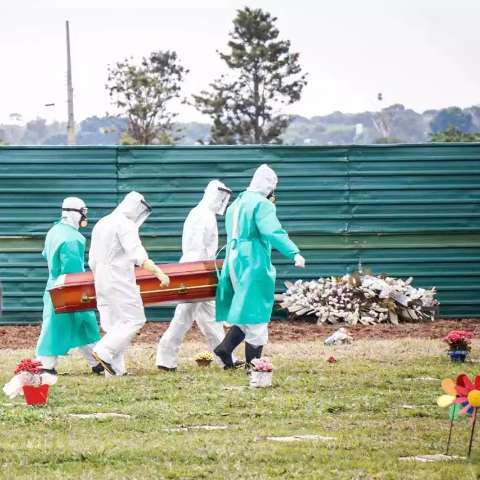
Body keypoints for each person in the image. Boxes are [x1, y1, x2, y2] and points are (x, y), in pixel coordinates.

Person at [214, 164, 306, 368]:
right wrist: (294, 252)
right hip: (252, 261)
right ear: (269, 187)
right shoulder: (262, 204)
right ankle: (255, 366)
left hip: (233, 260)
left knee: (246, 308)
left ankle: (225, 349)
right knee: (256, 311)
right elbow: (273, 231)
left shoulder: (237, 203)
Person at [156, 180, 242, 371]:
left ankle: (226, 357)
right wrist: (196, 275)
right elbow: (195, 249)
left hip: (201, 271)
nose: (221, 201)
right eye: (220, 197)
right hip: (195, 272)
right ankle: (165, 358)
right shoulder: (202, 215)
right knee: (183, 317)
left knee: (210, 318)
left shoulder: (203, 213)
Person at [89, 191, 170, 376]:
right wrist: (158, 271)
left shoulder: (102, 222)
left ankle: (115, 370)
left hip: (100, 277)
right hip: (119, 278)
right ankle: (104, 351)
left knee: (114, 324)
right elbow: (137, 254)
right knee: (135, 319)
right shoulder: (125, 224)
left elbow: (92, 258)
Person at [36, 197, 103, 375]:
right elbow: (72, 270)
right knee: (75, 324)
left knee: (74, 325)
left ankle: (97, 362)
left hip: (53, 285)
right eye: (83, 212)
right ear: (75, 213)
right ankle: (46, 365)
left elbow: (46, 255)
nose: (84, 217)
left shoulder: (54, 231)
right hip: (69, 287)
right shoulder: (73, 239)